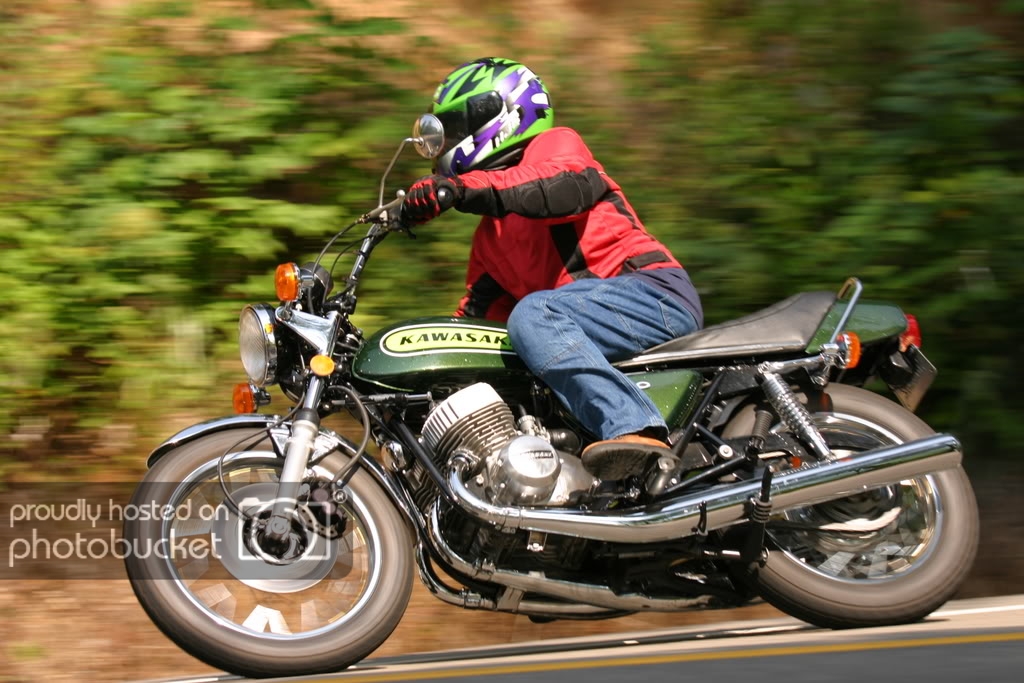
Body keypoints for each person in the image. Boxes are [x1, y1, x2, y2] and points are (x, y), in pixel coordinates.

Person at [403, 57, 703, 480]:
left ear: (501, 112)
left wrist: (457, 188)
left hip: (652, 296)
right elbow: (472, 328)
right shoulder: (490, 238)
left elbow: (560, 187)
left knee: (533, 315)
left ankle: (636, 428)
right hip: (583, 322)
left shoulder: (555, 146)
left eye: (455, 126)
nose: (448, 141)